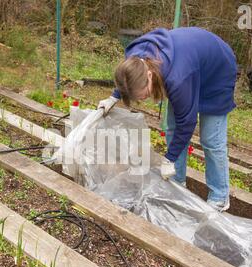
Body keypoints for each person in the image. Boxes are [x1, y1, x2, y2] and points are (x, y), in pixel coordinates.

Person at [98, 27, 237, 212]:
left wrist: (169, 159)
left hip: (216, 71)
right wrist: (114, 97)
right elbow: (128, 79)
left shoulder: (177, 80)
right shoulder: (134, 58)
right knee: (171, 127)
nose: (142, 99)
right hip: (190, 63)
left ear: (149, 75)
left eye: (144, 94)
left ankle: (219, 198)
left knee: (211, 140)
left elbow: (187, 123)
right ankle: (177, 184)